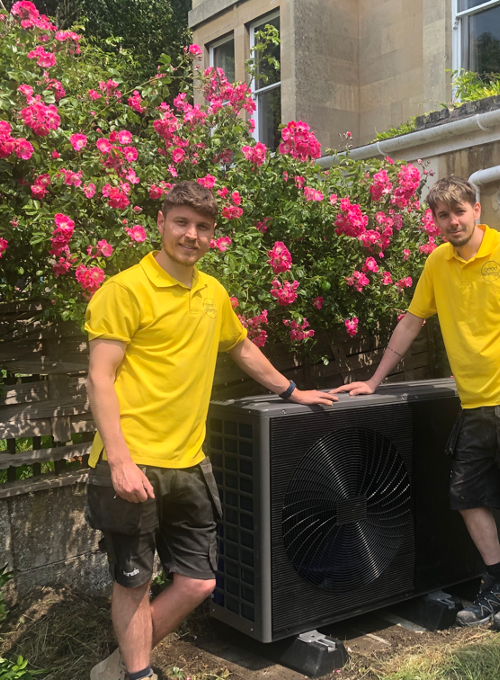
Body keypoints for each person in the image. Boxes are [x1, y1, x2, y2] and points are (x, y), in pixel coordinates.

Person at [85, 181, 337, 680]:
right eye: (181, 222)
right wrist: (119, 460)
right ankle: (138, 673)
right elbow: (99, 377)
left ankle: (118, 666)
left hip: (189, 462)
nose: (191, 235)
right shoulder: (125, 290)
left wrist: (292, 391)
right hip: (134, 460)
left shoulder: (212, 292)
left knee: (198, 582)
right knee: (134, 581)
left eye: (202, 227)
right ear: (161, 223)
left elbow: (240, 346)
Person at [334, 176, 500, 631]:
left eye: (459, 211)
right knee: (466, 495)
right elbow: (412, 320)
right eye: (443, 215)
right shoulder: (437, 263)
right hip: (472, 404)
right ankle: (497, 581)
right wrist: (375, 380)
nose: (452, 222)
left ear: (477, 210)